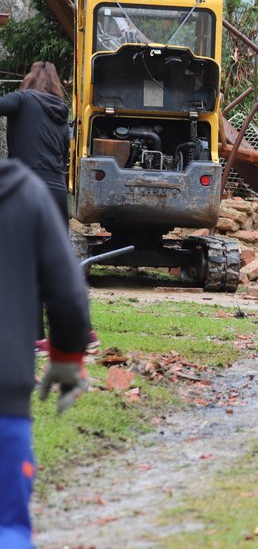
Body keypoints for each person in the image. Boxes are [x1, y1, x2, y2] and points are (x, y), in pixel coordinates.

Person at [0, 159, 90, 547]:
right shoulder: (21, 191)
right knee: (9, 530)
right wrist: (68, 362)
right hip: (4, 401)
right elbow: (69, 297)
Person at [0, 61, 71, 224]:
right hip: (57, 190)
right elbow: (64, 154)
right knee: (54, 249)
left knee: (16, 246)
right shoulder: (61, 111)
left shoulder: (22, 99)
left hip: (26, 185)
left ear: (29, 79)